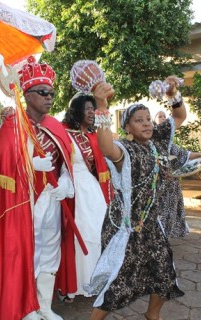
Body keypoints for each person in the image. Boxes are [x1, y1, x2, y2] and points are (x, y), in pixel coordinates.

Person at [0, 56, 76, 320]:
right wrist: (29, 163)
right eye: (42, 92)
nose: (49, 97)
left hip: (52, 200)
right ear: (27, 94)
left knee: (50, 252)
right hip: (25, 203)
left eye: (51, 93)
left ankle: (44, 305)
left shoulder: (56, 125)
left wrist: (66, 183)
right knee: (27, 253)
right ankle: (27, 307)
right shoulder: (13, 125)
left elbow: (69, 163)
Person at [86, 76, 186, 320]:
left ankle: (153, 315)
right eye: (138, 121)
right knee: (118, 281)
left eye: (148, 120)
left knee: (164, 273)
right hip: (126, 227)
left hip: (152, 226)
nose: (147, 124)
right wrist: (101, 106)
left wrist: (173, 95)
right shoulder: (125, 150)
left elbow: (180, 116)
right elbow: (106, 146)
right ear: (127, 128)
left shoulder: (157, 143)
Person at [57, 93, 111, 302]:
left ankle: (96, 280)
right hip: (73, 190)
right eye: (88, 108)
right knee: (78, 235)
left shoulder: (93, 135)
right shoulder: (63, 132)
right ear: (76, 110)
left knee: (97, 232)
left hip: (92, 190)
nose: (91, 112)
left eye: (93, 109)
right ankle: (74, 284)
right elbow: (58, 161)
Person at [153, 110, 201, 238]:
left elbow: (184, 154)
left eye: (165, 116)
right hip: (154, 184)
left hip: (170, 183)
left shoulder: (169, 143)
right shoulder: (148, 139)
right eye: (160, 116)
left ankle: (164, 236)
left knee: (169, 211)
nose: (163, 118)